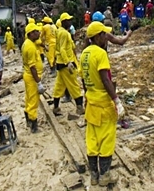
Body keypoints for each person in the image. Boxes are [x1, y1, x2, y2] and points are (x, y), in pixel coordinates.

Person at [81, 21, 125, 187]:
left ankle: (94, 175)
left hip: (91, 103)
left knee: (92, 140)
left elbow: (84, 80)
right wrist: (116, 100)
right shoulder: (100, 54)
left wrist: (86, 97)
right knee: (106, 140)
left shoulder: (84, 54)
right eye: (104, 34)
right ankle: (105, 176)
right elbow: (105, 79)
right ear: (98, 36)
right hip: (104, 103)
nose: (106, 37)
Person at [52, 12, 85, 116]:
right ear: (64, 22)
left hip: (60, 63)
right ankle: (79, 108)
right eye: (69, 20)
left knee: (59, 86)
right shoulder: (64, 33)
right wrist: (68, 62)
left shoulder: (60, 32)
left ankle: (56, 108)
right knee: (74, 85)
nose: (70, 22)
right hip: (66, 64)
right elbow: (62, 49)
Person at [22, 23, 46, 133]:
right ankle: (33, 124)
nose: (39, 33)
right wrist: (38, 82)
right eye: (36, 31)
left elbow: (39, 42)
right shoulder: (30, 47)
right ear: (31, 33)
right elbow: (32, 67)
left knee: (28, 98)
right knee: (33, 101)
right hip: (32, 77)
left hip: (28, 76)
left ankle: (28, 118)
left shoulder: (28, 43)